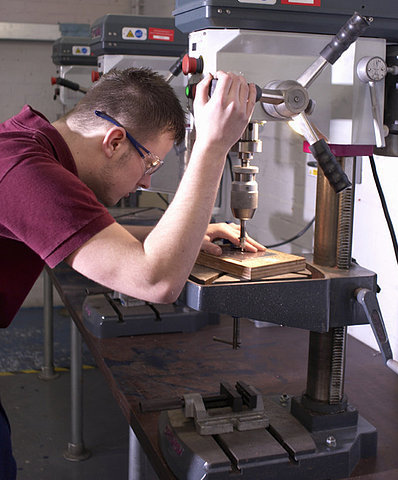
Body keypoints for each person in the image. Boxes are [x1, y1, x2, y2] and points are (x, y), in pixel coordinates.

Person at [0, 66, 264, 477]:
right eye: (150, 163)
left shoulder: (29, 144)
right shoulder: (26, 171)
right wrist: (212, 145)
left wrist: (187, 233)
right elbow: (154, 281)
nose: (144, 182)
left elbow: (82, 228)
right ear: (115, 140)